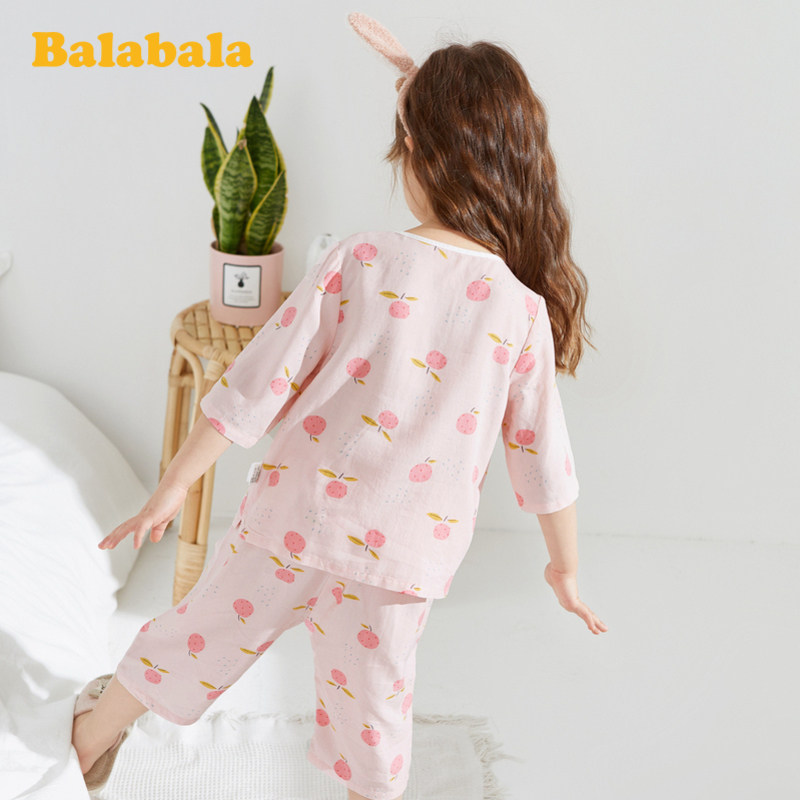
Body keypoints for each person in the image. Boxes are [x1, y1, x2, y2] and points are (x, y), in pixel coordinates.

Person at [72, 13, 608, 800]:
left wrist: (175, 484)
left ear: (415, 152)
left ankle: (91, 737)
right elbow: (544, 463)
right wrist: (565, 568)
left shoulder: (362, 257)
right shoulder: (520, 310)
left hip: (292, 521)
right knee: (373, 714)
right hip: (401, 562)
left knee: (195, 638)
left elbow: (255, 383)